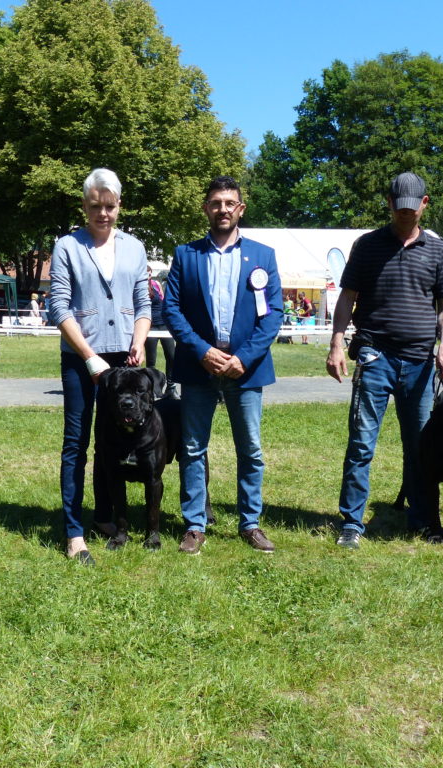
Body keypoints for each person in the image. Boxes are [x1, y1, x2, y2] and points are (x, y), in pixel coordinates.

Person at [325, 172, 443, 549]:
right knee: (361, 443)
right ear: (389, 203)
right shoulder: (367, 246)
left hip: (419, 363)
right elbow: (347, 297)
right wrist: (336, 343)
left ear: (425, 204)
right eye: (399, 207)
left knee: (420, 447)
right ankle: (352, 523)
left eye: (412, 208)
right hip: (374, 357)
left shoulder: (439, 251)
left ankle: (422, 520)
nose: (405, 213)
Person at [163, 176, 282, 555]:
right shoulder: (186, 255)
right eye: (216, 203)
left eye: (230, 203)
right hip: (199, 367)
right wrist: (202, 351)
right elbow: (172, 309)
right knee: (193, 448)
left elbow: (273, 314)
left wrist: (243, 358)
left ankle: (250, 523)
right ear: (206, 209)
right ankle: (194, 525)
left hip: (246, 369)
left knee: (251, 450)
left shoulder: (263, 256)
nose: (223, 209)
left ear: (240, 209)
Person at [47, 168, 151, 564]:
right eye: (95, 206)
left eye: (109, 206)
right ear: (84, 206)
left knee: (112, 441)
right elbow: (59, 307)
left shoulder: (135, 247)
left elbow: (143, 303)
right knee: (76, 442)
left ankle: (105, 516)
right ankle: (74, 532)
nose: (102, 214)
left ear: (119, 205)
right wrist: (89, 357)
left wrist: (139, 340)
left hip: (124, 357)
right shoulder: (67, 246)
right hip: (80, 356)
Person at [144, 268, 178, 398]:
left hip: (164, 326)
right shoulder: (140, 286)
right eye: (146, 273)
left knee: (171, 356)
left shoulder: (156, 284)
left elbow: (163, 301)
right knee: (151, 360)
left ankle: (171, 387)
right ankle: (152, 389)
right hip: (150, 327)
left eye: (150, 273)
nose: (148, 275)